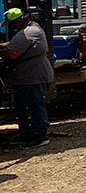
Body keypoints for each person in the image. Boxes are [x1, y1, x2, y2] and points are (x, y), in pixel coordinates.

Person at [0, 8, 54, 148]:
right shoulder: (29, 30)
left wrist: (3, 52)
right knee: (25, 107)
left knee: (34, 107)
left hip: (32, 78)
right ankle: (28, 134)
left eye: (13, 24)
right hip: (28, 78)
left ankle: (38, 137)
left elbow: (13, 53)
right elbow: (12, 45)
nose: (13, 27)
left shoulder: (28, 32)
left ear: (19, 21)